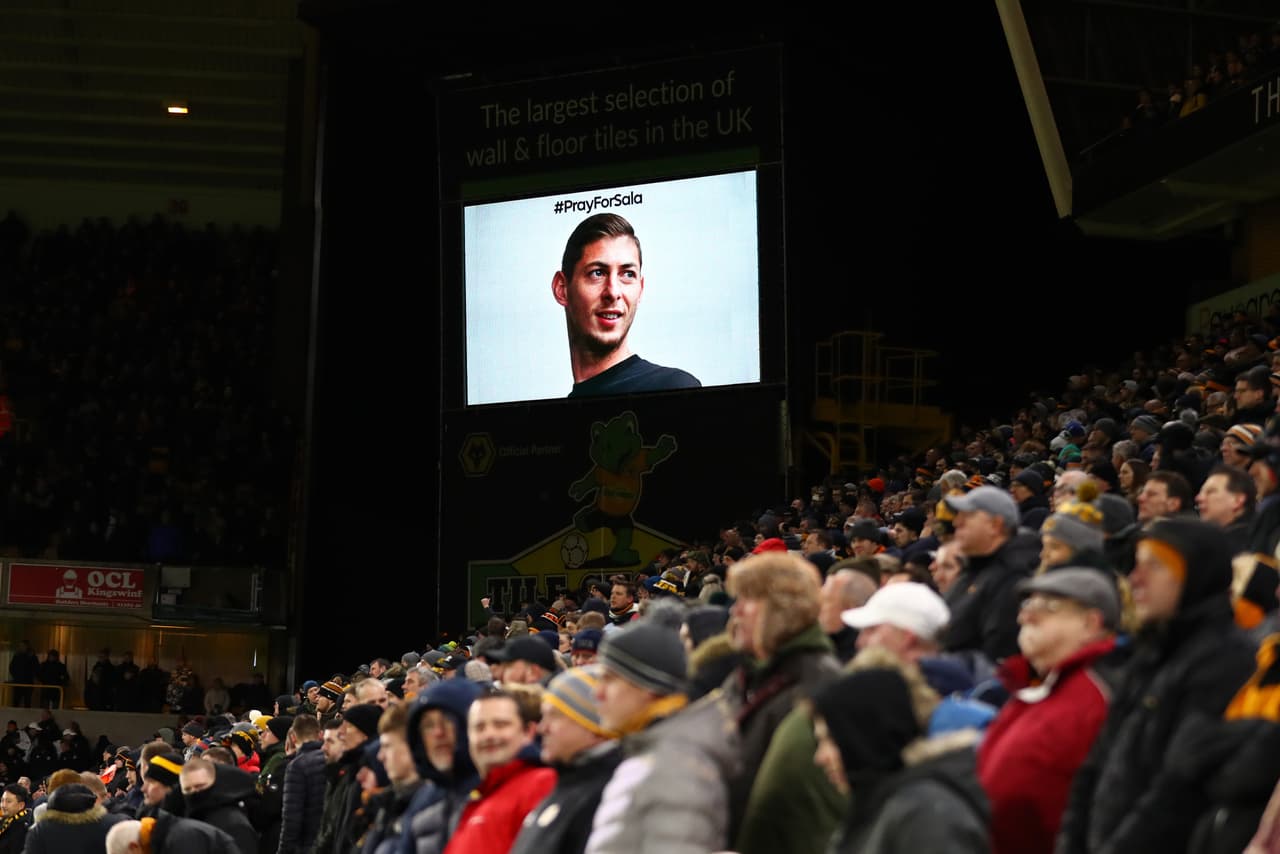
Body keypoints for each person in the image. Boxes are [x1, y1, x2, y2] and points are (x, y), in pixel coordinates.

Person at [977, 569, 1122, 854]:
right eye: (1027, 604)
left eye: (1049, 607)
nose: (1025, 616)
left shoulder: (1102, 694)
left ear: (1090, 624)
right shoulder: (1037, 687)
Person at [552, 213, 700, 397]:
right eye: (597, 273)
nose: (613, 292)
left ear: (640, 289)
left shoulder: (675, 389)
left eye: (628, 274)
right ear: (562, 288)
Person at [509, 666, 622, 854]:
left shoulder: (604, 797)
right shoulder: (567, 783)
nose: (542, 728)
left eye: (554, 716)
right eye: (543, 716)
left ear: (593, 725)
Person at [0, 783, 31, 854]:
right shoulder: (7, 818)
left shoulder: (22, 827)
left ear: (21, 805)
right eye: (2, 800)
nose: (3, 805)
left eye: (8, 801)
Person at [8, 642, 38, 708]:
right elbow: (11, 667)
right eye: (20, 646)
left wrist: (32, 676)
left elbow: (36, 668)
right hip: (18, 682)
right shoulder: (17, 655)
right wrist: (16, 676)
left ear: (27, 646)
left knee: (27, 702)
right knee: (16, 701)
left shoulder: (32, 656)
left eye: (22, 646)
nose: (20, 647)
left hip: (28, 682)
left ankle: (26, 714)